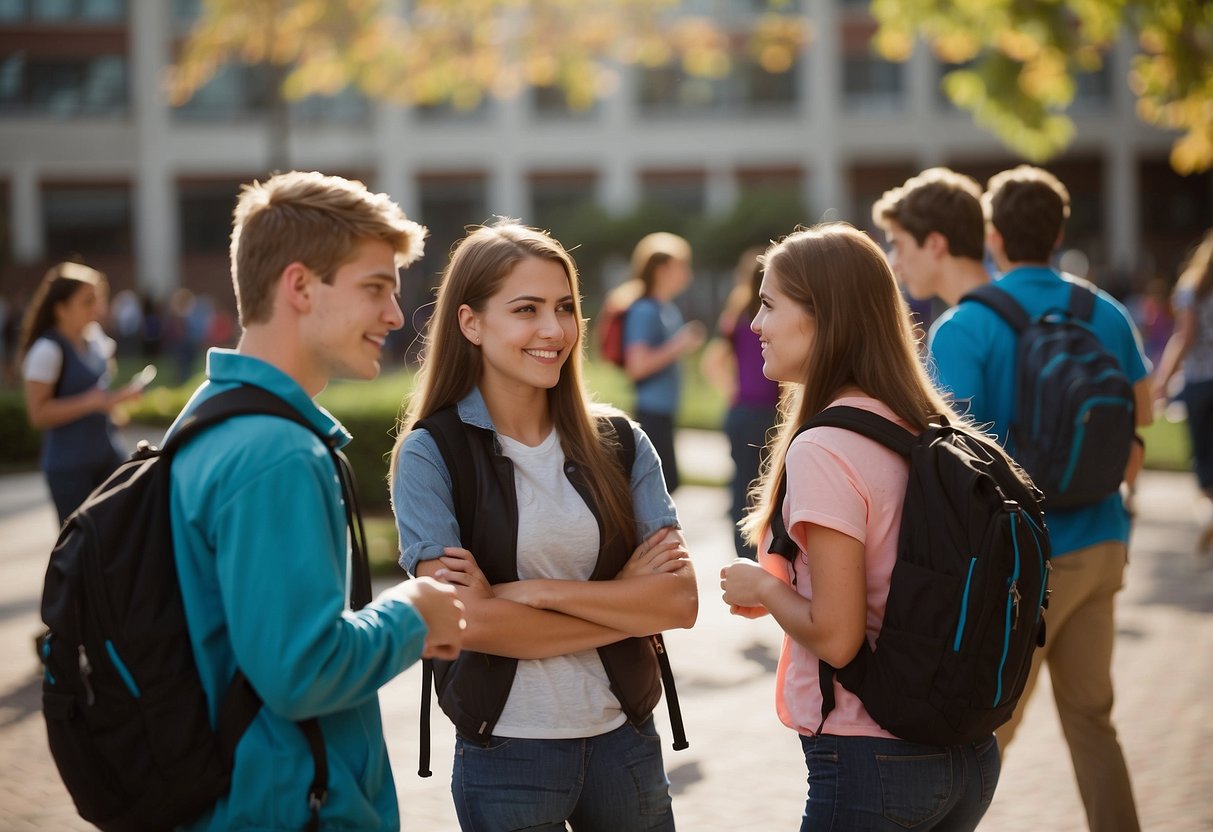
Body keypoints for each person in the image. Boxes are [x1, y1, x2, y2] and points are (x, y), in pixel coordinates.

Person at [165, 170, 466, 831]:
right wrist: (414, 612)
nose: (394, 314)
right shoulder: (276, 453)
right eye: (374, 288)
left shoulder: (211, 417)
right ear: (299, 286)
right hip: (287, 810)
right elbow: (302, 670)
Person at [392, 220, 698, 832]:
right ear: (471, 323)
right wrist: (619, 606)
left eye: (565, 308)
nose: (553, 330)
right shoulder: (432, 453)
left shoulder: (621, 442)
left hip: (624, 740)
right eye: (526, 309)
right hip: (507, 754)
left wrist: (530, 594)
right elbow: (466, 621)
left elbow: (679, 602)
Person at [719, 222, 1005, 830]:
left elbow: (839, 636)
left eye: (769, 304)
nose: (755, 325)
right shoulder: (918, 425)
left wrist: (766, 589)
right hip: (966, 755)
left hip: (871, 755)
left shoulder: (825, 446)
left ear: (823, 317)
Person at [929, 165, 1150, 832]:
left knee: (982, 728)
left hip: (1024, 566)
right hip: (1102, 542)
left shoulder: (965, 326)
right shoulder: (1103, 312)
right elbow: (1137, 424)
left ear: (991, 235)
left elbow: (952, 459)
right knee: (1091, 721)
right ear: (1059, 233)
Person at [18, 262, 144, 523]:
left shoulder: (95, 339)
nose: (96, 309)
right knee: (80, 551)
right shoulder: (47, 350)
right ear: (61, 308)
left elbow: (99, 395)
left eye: (96, 300)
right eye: (87, 302)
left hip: (108, 456)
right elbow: (38, 415)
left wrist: (115, 404)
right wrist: (88, 403)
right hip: (70, 470)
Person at [607, 231, 706, 492]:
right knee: (658, 484)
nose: (688, 274)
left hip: (663, 410)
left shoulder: (665, 308)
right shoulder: (645, 310)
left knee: (666, 483)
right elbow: (637, 366)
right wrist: (679, 345)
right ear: (661, 269)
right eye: (682, 266)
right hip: (651, 411)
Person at [700, 246, 780, 559]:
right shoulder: (770, 317)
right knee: (768, 485)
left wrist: (733, 389)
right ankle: (763, 551)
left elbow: (711, 362)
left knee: (741, 483)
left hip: (740, 411)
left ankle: (742, 551)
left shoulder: (737, 315)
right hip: (769, 413)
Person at [1153, 227, 1213, 555]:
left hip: (1200, 383)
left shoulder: (1191, 287)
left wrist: (1163, 380)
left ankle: (1209, 515)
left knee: (1204, 465)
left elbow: (1184, 336)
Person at [872, 167, 991, 308]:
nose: (894, 264)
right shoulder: (1016, 301)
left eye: (898, 245)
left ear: (935, 244)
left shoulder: (957, 327)